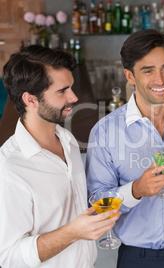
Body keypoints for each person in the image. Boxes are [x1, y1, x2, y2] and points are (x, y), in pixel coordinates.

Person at [85, 29, 164, 268]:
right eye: (148, 70)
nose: (160, 80)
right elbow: (96, 202)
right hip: (139, 259)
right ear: (129, 76)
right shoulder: (105, 132)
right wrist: (136, 190)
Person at [0, 45, 120, 267]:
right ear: (31, 100)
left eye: (71, 87)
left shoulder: (67, 140)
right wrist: (73, 232)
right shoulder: (9, 169)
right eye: (62, 91)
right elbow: (8, 257)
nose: (74, 97)